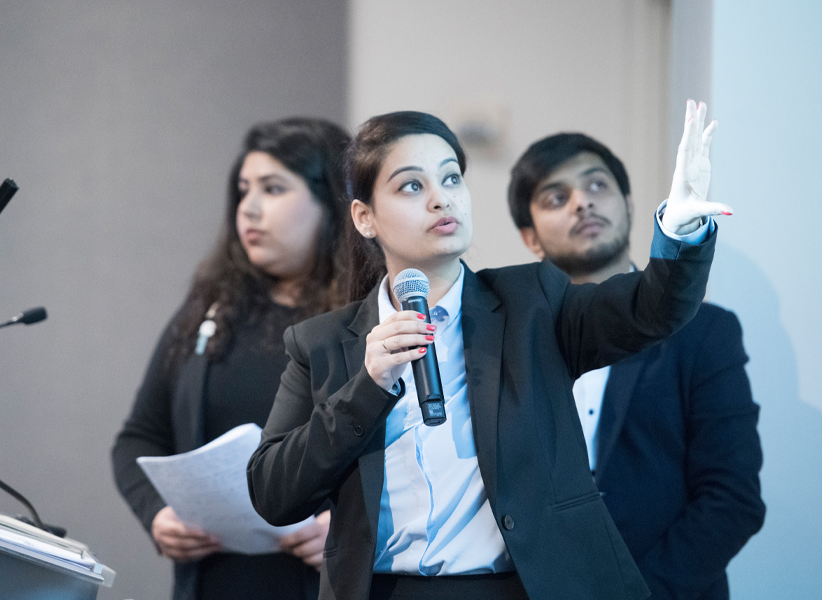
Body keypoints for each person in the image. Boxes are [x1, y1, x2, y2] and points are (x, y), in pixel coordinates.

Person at [247, 100, 729, 600]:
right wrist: (366, 387)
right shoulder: (322, 343)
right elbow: (273, 494)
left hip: (515, 588)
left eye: (451, 178)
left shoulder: (533, 304)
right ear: (365, 217)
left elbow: (652, 309)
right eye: (413, 186)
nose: (442, 200)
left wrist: (681, 231)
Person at [507, 130, 764, 600]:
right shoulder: (510, 342)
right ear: (530, 237)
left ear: (628, 204)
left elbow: (733, 499)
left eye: (597, 185)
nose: (582, 203)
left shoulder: (704, 333)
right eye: (556, 196)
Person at [112, 117, 351, 600]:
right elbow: (139, 437)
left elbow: (420, 466)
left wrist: (350, 526)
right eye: (244, 190)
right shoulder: (210, 311)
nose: (250, 208)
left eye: (273, 188)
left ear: (332, 204)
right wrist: (157, 513)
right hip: (215, 582)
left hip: (325, 583)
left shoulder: (368, 318)